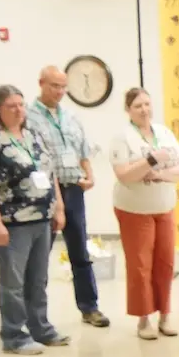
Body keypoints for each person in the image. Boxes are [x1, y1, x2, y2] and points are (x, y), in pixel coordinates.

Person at [0, 84, 70, 354]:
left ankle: (41, 328)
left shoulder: (33, 135)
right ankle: (14, 336)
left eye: (21, 105)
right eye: (11, 106)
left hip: (42, 219)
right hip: (12, 222)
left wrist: (59, 208)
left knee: (38, 279)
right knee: (13, 283)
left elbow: (50, 174)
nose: (18, 110)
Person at [26, 66, 110, 328]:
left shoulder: (71, 116)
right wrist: (55, 200)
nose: (60, 91)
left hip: (74, 189)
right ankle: (35, 315)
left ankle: (89, 307)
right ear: (41, 83)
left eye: (63, 87)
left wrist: (89, 175)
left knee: (79, 251)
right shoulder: (28, 117)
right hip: (45, 193)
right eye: (55, 86)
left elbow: (82, 149)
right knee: (40, 255)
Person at [109, 88, 179, 340]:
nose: (144, 110)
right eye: (137, 106)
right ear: (128, 110)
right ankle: (144, 319)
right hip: (134, 210)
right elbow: (124, 175)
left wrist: (160, 174)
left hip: (163, 206)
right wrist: (151, 161)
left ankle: (165, 315)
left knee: (165, 263)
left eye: (146, 104)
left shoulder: (164, 133)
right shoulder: (122, 137)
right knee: (140, 265)